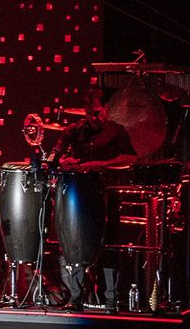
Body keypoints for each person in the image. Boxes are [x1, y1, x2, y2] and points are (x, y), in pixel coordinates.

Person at [56, 99, 137, 310]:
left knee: (107, 244)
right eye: (91, 114)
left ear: (106, 110)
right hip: (78, 195)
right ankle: (76, 297)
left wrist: (100, 164)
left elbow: (130, 157)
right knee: (75, 243)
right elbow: (55, 155)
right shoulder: (73, 131)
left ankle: (111, 298)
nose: (95, 117)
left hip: (105, 192)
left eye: (98, 112)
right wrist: (65, 160)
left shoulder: (116, 131)